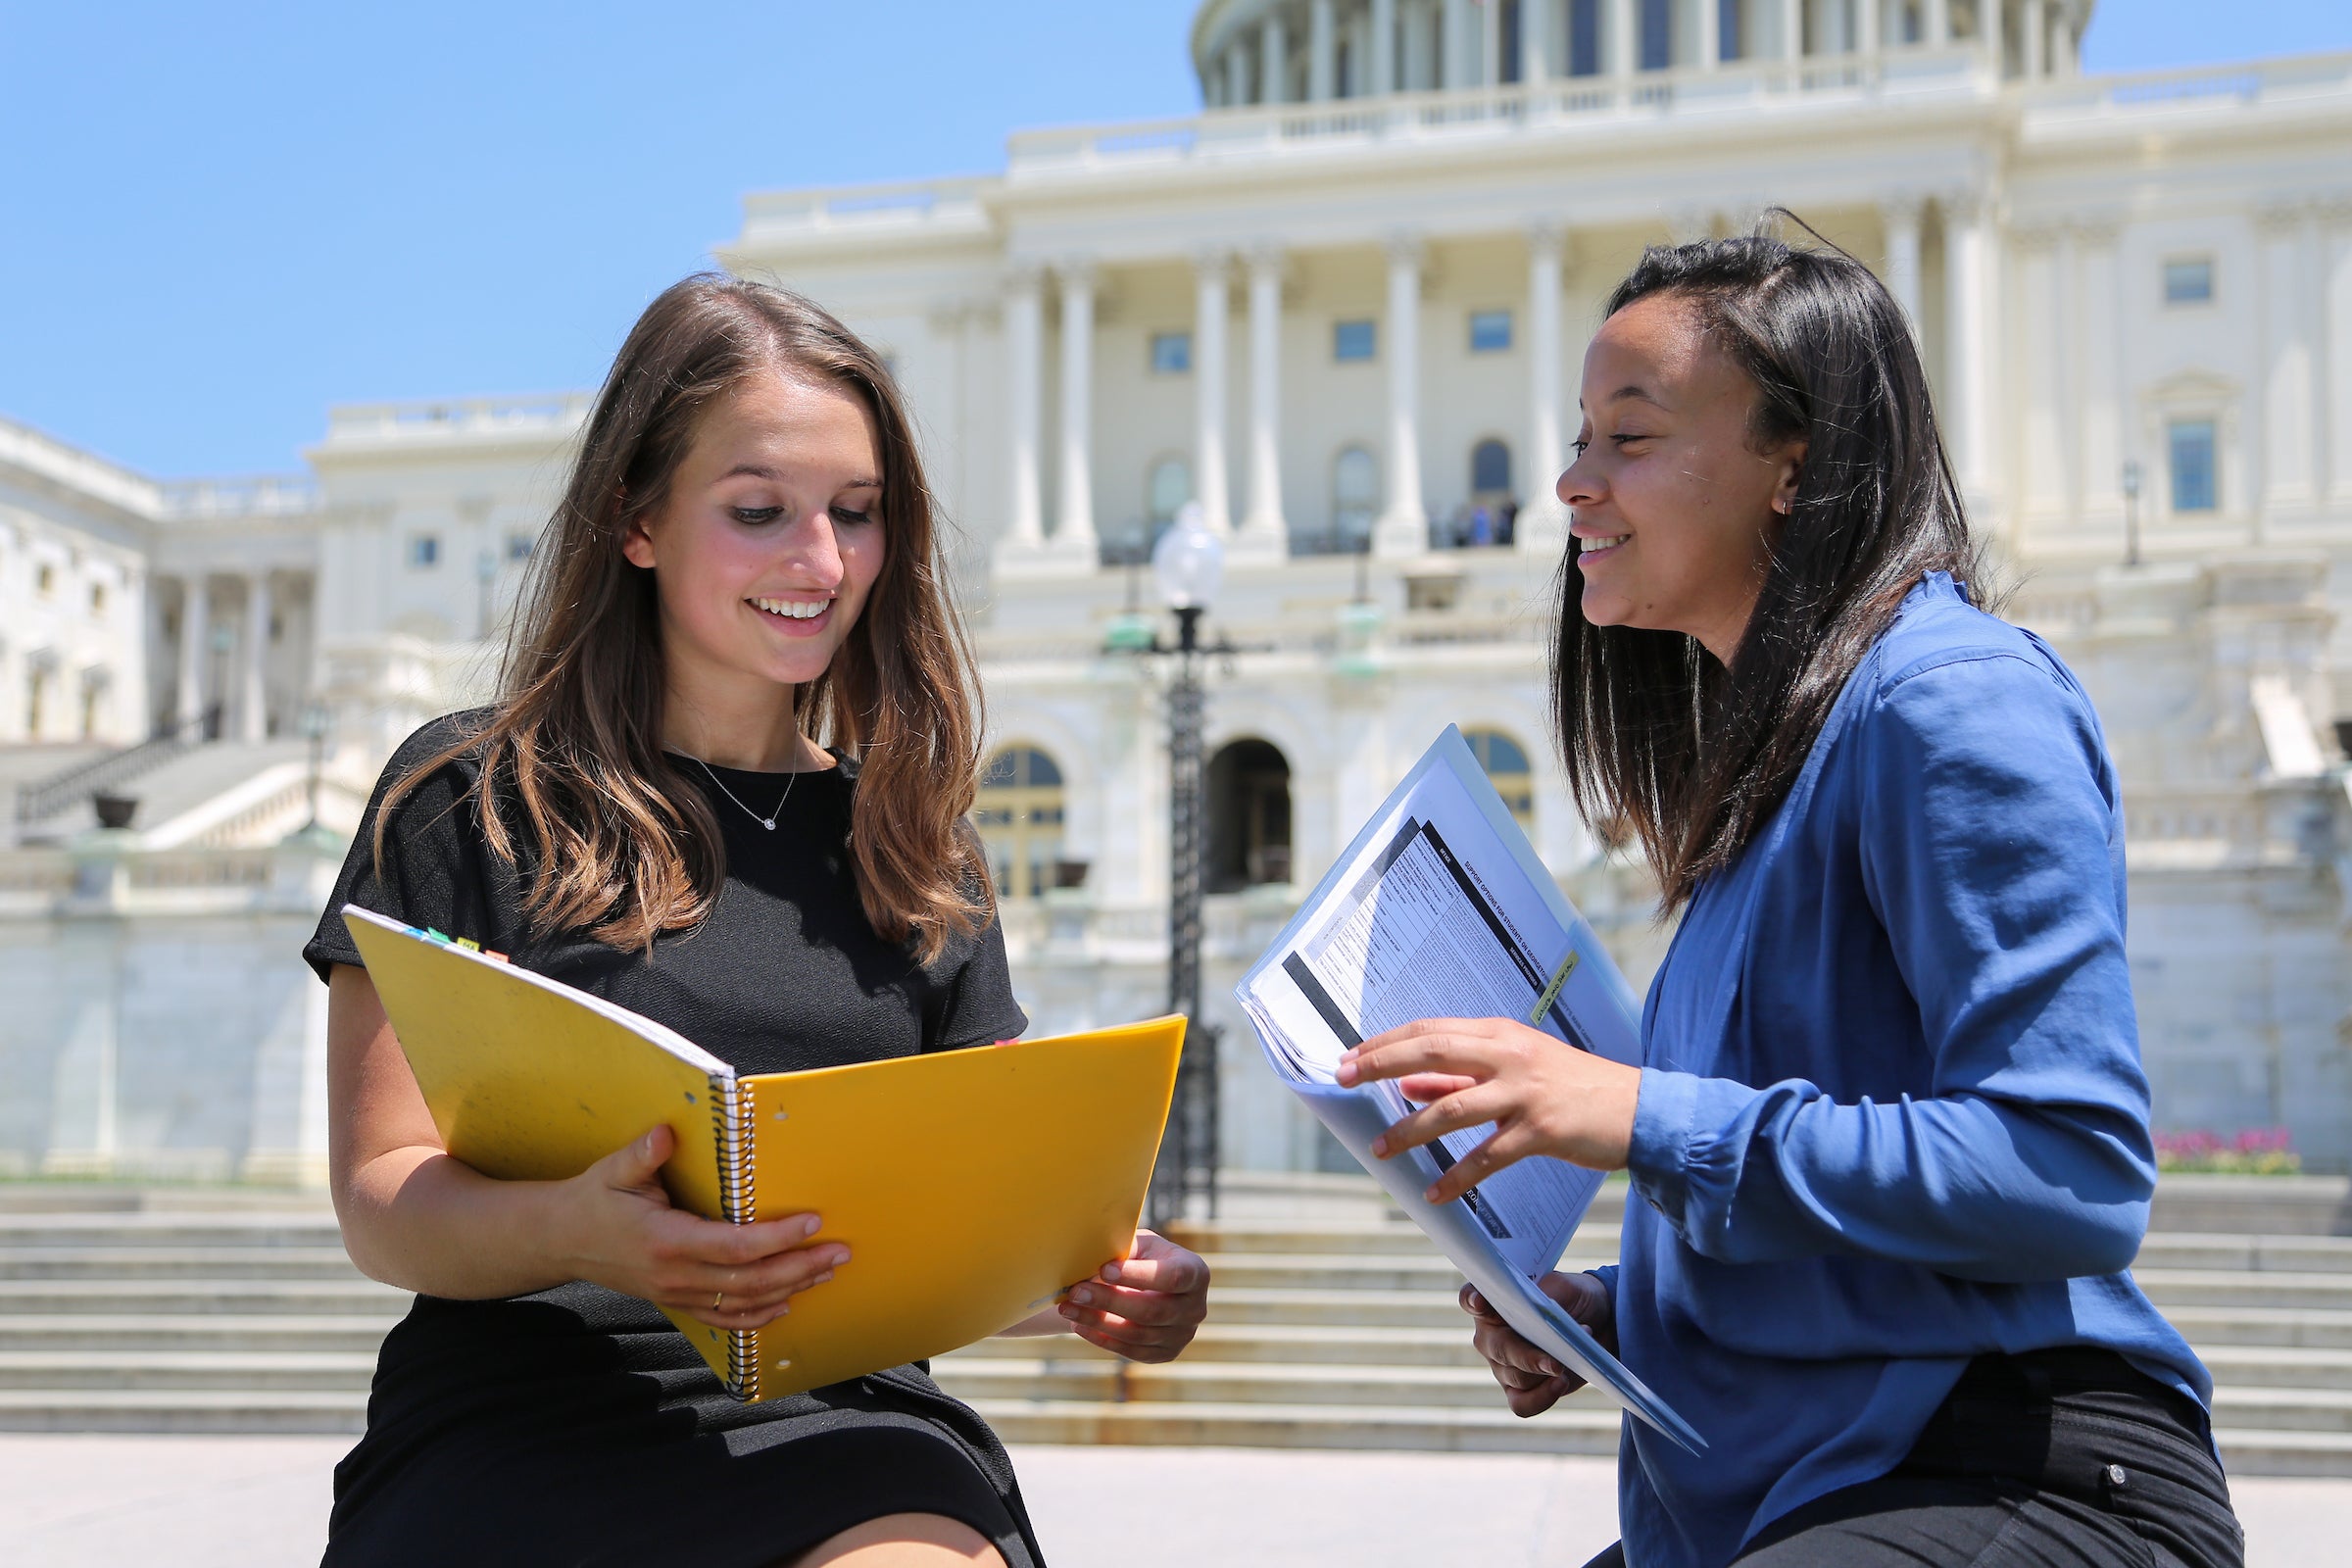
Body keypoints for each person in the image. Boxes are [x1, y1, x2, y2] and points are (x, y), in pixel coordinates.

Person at [1338, 231, 2244, 1567]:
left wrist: (1643, 1116)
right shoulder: (1770, 774)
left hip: (2010, 1472)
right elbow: (1842, 1205)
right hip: (1797, 1495)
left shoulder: (1950, 697)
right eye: (1580, 436)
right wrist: (1624, 1309)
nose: (1570, 484)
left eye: (1627, 438)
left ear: (1796, 462)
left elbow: (2070, 1171)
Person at [306, 276, 1210, 1568]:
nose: (822, 562)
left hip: (844, 1415)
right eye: (758, 513)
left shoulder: (920, 845)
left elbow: (980, 1225)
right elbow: (381, 1201)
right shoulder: (466, 797)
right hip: (527, 1403)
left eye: (857, 514)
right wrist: (585, 1234)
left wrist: (1105, 1280)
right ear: (636, 520)